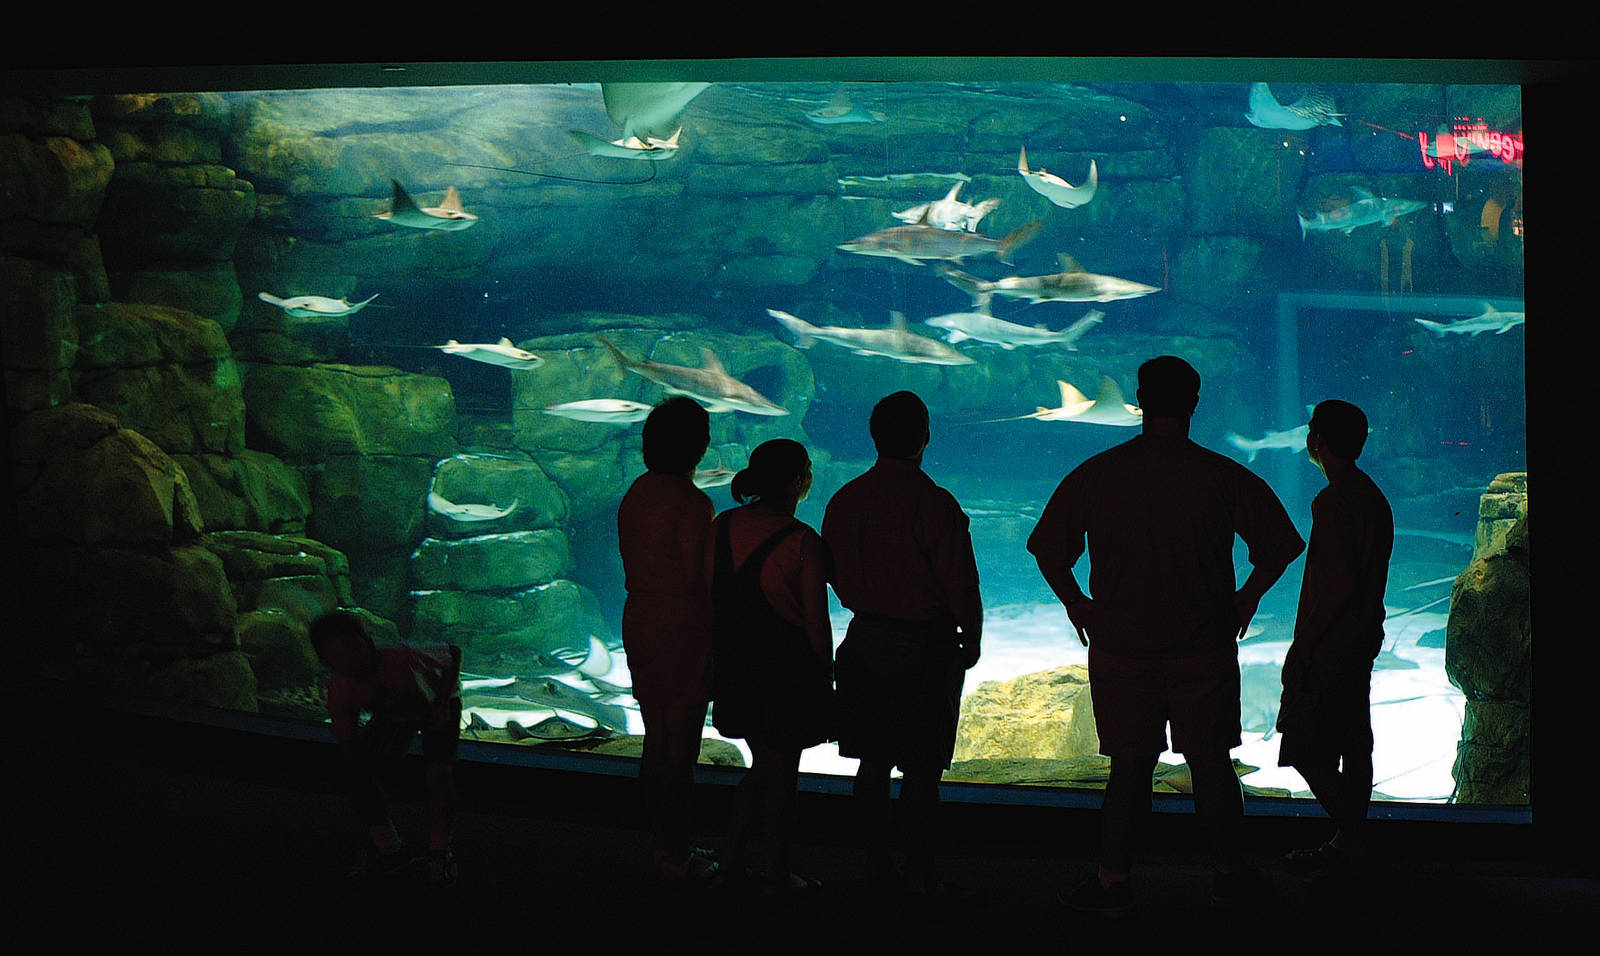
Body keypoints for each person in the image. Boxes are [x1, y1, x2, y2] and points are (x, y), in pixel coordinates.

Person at [1027, 356, 1305, 915]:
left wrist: (1077, 603)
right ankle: (1230, 875)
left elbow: (1046, 548)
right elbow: (1282, 545)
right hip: (1203, 643)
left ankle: (1112, 881)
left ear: (1139, 399)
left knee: (1128, 768)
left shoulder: (1099, 472)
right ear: (1194, 403)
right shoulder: (1223, 475)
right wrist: (1245, 597)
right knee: (1211, 764)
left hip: (1120, 645)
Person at [822, 390, 983, 897]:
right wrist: (972, 636)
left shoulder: (845, 499)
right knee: (921, 771)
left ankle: (874, 869)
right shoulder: (933, 503)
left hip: (866, 640)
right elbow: (961, 582)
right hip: (925, 650)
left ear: (874, 436)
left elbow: (835, 576)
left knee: (871, 763)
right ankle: (920, 877)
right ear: (926, 436)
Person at [709, 439, 833, 894]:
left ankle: (731, 863)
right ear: (800, 481)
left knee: (763, 770)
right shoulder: (803, 542)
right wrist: (828, 676)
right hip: (787, 676)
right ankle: (776, 870)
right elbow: (817, 625)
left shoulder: (721, 526)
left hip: (736, 669)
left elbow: (711, 597)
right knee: (781, 777)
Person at [1275, 400, 1393, 876]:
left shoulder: (1333, 500)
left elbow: (1334, 585)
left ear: (1317, 441)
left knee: (1305, 747)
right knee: (1354, 743)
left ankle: (1357, 838)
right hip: (1362, 639)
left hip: (1331, 646)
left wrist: (1302, 650)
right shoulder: (1373, 496)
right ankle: (1348, 841)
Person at [617, 396, 719, 883]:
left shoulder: (636, 492)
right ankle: (676, 855)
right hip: (681, 626)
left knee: (657, 740)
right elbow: (703, 577)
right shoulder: (693, 503)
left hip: (640, 619)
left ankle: (663, 844)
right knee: (682, 748)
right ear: (699, 448)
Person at [309, 610, 463, 889]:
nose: (351, 659)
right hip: (395, 714)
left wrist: (442, 701)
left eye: (353, 648)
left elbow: (453, 653)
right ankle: (390, 848)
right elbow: (349, 742)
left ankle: (440, 851)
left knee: (439, 771)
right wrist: (360, 773)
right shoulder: (341, 690)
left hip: (439, 704)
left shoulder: (400, 656)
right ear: (326, 662)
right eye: (339, 655)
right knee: (355, 771)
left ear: (368, 641)